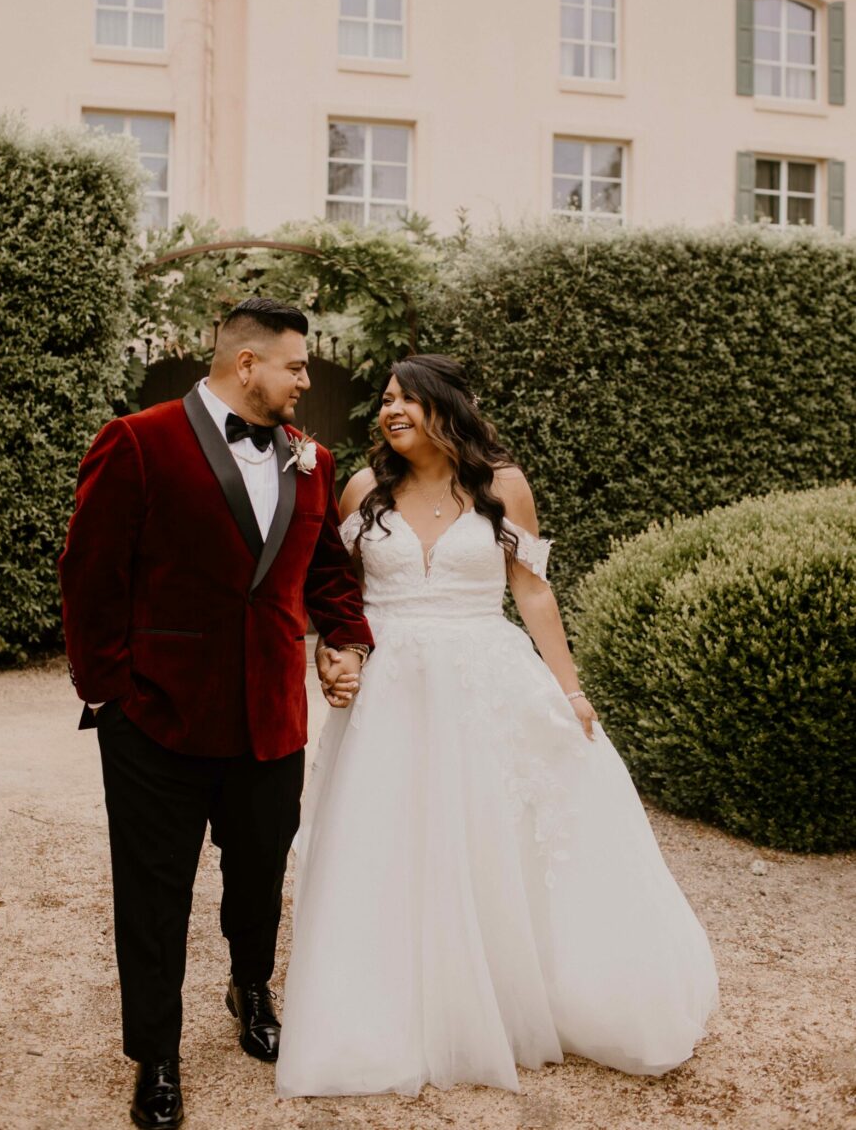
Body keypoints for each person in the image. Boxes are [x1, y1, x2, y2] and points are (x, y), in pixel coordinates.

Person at [276, 353, 719, 1098]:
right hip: (389, 690)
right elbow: (335, 594)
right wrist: (337, 654)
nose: (391, 411)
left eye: (406, 400)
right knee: (389, 834)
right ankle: (392, 999)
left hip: (484, 676)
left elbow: (533, 594)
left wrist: (570, 690)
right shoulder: (362, 488)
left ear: (444, 408)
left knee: (491, 833)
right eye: (385, 400)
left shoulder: (503, 488)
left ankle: (505, 989)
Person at [58, 298, 373, 1130]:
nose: (307, 380)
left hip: (271, 715)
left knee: (261, 872)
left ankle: (250, 988)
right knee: (153, 893)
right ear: (247, 366)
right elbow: (89, 570)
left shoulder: (314, 459)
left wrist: (345, 635)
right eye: (297, 366)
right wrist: (111, 692)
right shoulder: (136, 439)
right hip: (156, 716)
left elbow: (325, 570)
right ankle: (156, 1056)